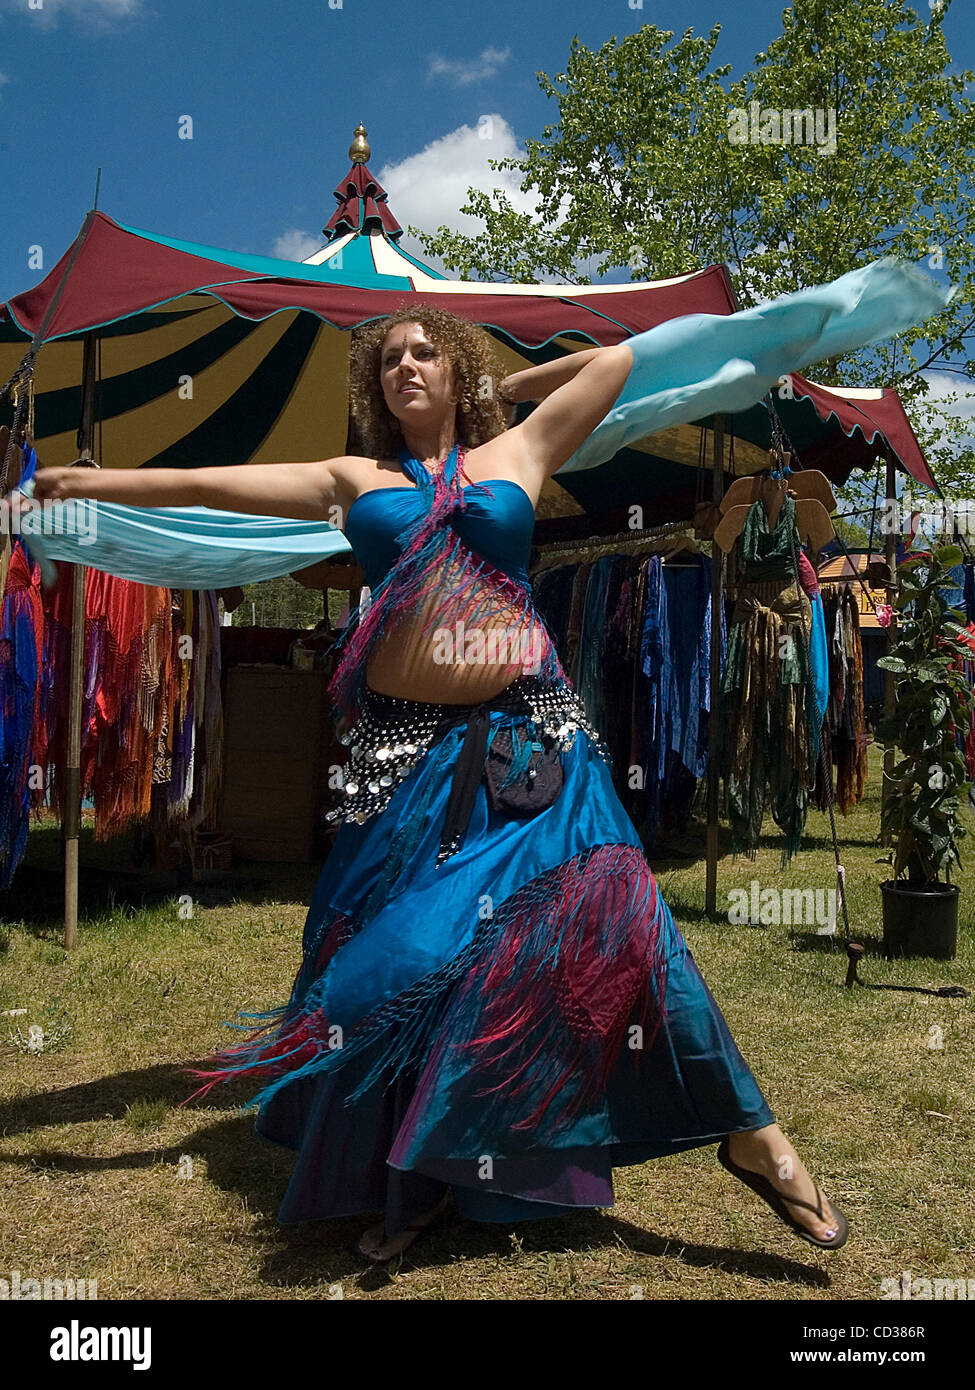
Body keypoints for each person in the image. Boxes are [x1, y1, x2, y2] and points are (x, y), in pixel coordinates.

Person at [26, 306, 848, 1264]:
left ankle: (751, 1133)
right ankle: (413, 1173)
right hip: (404, 754)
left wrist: (518, 386)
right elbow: (219, 484)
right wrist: (96, 480)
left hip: (531, 741)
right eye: (386, 360)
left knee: (622, 924)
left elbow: (615, 362)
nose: (403, 367)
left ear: (456, 367)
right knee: (397, 960)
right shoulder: (356, 480)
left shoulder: (522, 450)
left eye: (423, 352)